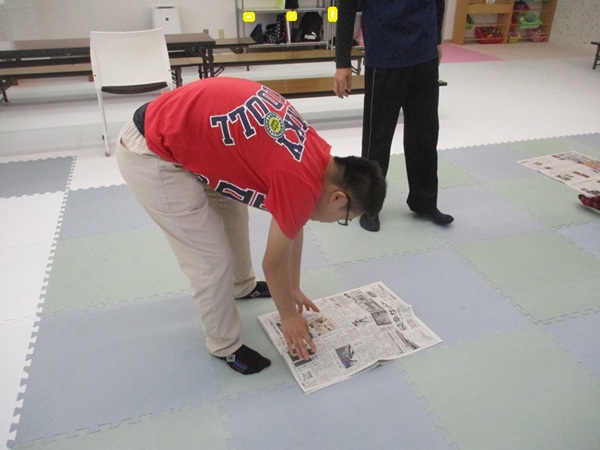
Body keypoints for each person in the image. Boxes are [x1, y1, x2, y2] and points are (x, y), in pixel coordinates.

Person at [116, 77, 386, 374]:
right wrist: (289, 317)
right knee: (211, 259)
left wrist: (293, 287)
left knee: (232, 214)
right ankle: (224, 346)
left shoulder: (317, 155)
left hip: (188, 136)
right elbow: (273, 263)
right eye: (345, 218)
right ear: (338, 198)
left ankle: (241, 286)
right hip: (150, 149)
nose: (338, 222)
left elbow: (293, 225)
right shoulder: (299, 180)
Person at [333, 0, 453, 231]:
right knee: (377, 138)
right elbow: (346, 8)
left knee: (425, 134)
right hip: (384, 54)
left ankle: (425, 201)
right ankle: (370, 207)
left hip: (424, 51)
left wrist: (437, 39)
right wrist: (342, 62)